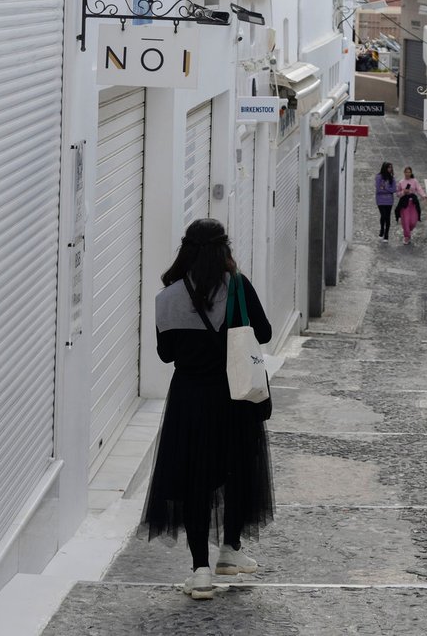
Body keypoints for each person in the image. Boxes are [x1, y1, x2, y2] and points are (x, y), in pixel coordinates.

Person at [143, 219, 276, 600]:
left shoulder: (167, 297)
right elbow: (264, 333)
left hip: (189, 400)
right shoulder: (237, 287)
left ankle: (201, 571)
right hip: (234, 396)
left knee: (193, 480)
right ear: (224, 249)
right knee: (237, 471)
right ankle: (229, 550)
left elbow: (166, 354)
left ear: (185, 250)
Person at [394, 166, 427, 245]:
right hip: (404, 203)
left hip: (413, 203)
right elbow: (397, 194)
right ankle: (406, 236)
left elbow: (419, 189)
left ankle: (409, 231)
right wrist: (403, 192)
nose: (408, 173)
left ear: (411, 173)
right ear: (404, 173)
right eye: (406, 172)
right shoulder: (401, 182)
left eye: (409, 172)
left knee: (413, 221)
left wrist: (424, 195)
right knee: (405, 221)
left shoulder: (414, 181)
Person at [374, 162, 398, 241]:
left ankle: (386, 234)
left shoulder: (392, 178)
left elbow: (394, 189)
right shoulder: (379, 177)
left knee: (387, 217)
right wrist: (388, 190)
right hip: (380, 200)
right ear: (384, 168)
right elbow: (378, 190)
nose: (390, 169)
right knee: (383, 215)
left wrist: (385, 187)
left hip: (389, 201)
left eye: (391, 167)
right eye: (388, 167)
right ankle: (382, 230)